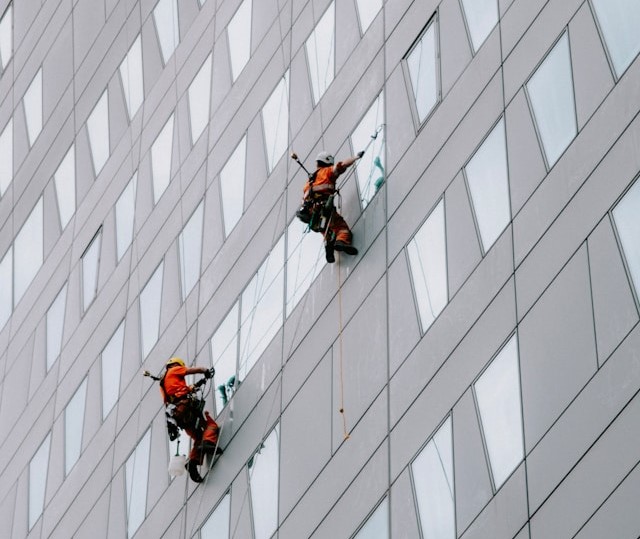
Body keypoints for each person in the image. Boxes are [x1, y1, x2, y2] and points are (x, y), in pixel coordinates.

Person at [159, 357, 222, 483]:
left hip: (179, 416)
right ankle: (208, 442)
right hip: (186, 407)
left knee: (198, 436)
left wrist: (199, 383)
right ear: (176, 364)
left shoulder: (165, 383)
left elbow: (184, 390)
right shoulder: (174, 369)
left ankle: (192, 463)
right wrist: (205, 370)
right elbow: (191, 370)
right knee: (211, 425)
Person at [296, 150, 364, 263]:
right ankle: (341, 242)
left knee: (327, 231)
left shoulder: (309, 183)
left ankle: (329, 249)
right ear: (328, 162)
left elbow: (304, 200)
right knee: (341, 228)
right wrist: (356, 157)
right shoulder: (327, 172)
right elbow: (342, 165)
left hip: (313, 216)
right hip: (325, 210)